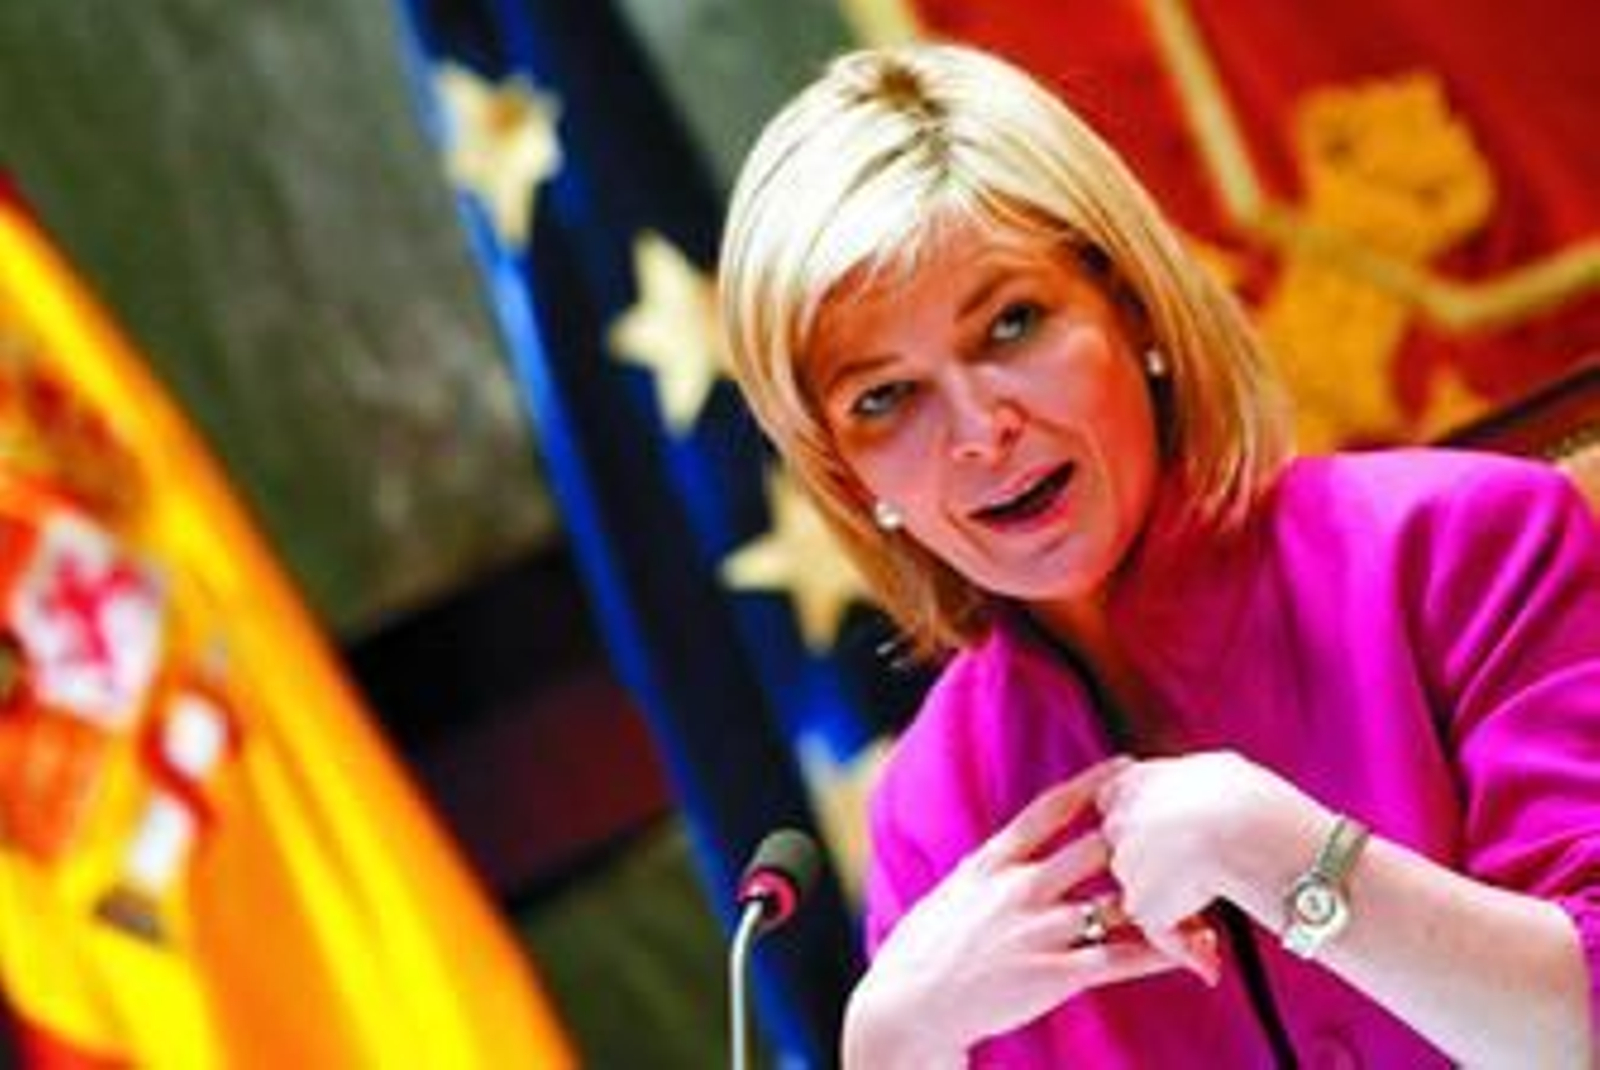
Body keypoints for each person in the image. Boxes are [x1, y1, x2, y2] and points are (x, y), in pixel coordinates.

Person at [716, 42, 1600, 1068]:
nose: (978, 431)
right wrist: (888, 1044)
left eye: (1011, 324)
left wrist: (1280, 855)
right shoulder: (931, 807)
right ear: (845, 472)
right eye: (884, 398)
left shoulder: (1464, 543)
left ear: (1131, 305)